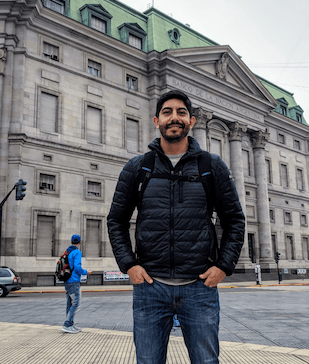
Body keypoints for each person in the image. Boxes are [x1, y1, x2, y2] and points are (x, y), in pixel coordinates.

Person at [107, 90, 245, 363]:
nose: (174, 118)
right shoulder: (139, 167)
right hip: (150, 287)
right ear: (157, 120)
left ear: (191, 121)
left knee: (206, 361)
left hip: (199, 287)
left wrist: (223, 267)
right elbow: (116, 220)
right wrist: (129, 265)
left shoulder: (211, 166)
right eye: (168, 112)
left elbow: (234, 220)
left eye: (181, 112)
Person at [62, 234, 91, 334]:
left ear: (71, 242)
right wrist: (86, 272)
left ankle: (70, 325)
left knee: (69, 303)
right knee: (76, 303)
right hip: (74, 281)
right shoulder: (77, 252)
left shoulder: (67, 251)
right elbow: (77, 268)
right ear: (79, 243)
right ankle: (67, 324)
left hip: (67, 281)